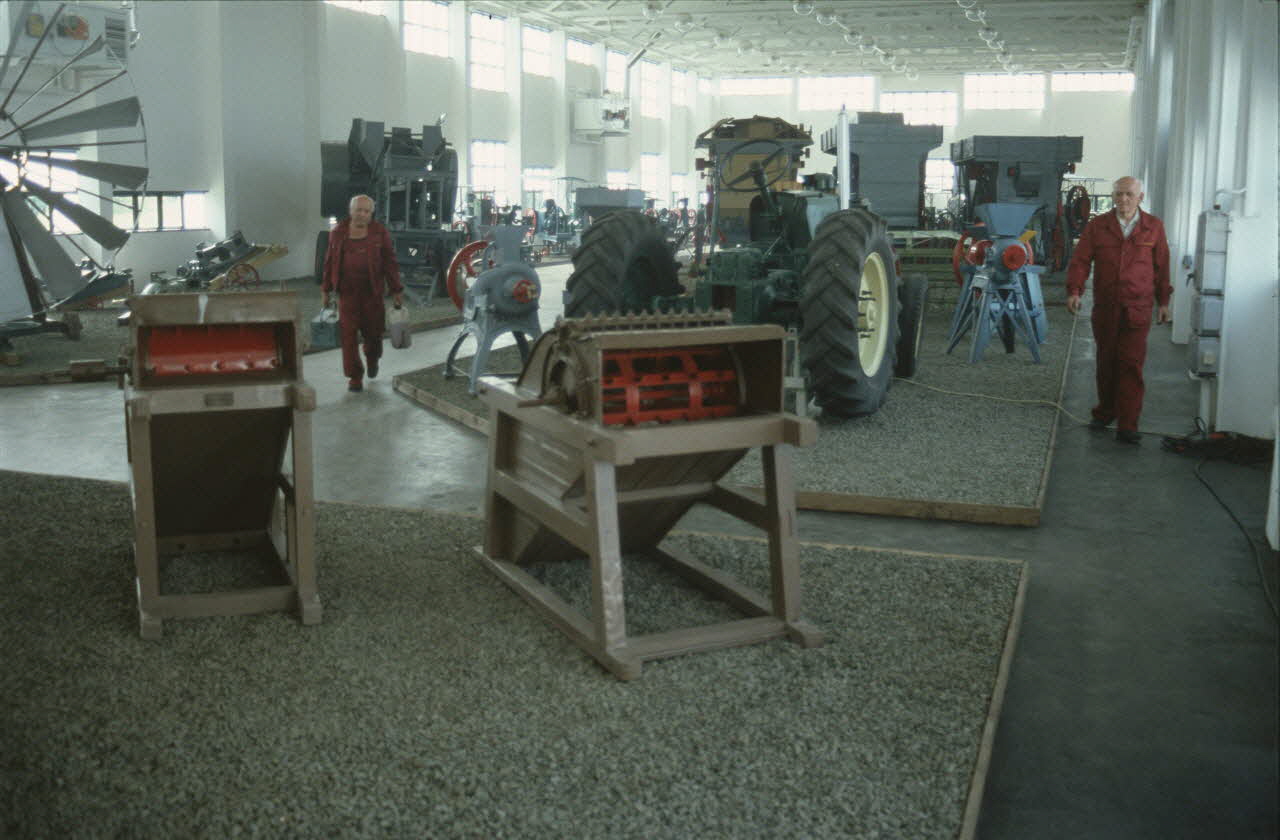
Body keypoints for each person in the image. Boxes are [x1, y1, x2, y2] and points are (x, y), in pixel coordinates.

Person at [1066, 176, 1171, 444]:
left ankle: (1128, 424)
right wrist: (1075, 291)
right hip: (1106, 306)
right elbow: (1080, 261)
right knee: (1106, 361)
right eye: (1119, 194)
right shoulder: (1098, 226)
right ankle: (1104, 412)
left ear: (1140, 197)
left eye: (1129, 194)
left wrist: (1164, 302)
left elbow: (1162, 267)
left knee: (1131, 365)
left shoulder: (1153, 227)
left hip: (1138, 307)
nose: (1123, 199)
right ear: (1113, 196)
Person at [321, 195, 404, 392]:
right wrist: (325, 290)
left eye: (367, 211)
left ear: (371, 213)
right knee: (348, 338)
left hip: (372, 294)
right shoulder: (338, 232)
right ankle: (354, 377)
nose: (362, 214)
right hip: (347, 295)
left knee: (373, 336)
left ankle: (373, 360)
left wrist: (396, 290)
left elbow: (390, 263)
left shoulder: (379, 233)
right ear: (350, 211)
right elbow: (329, 262)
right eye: (359, 210)